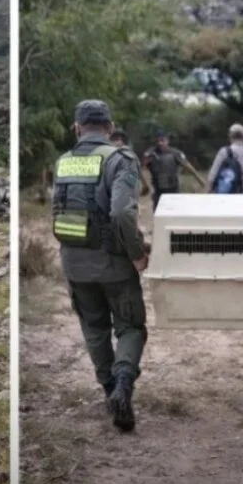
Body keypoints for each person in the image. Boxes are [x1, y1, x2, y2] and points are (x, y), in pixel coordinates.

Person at [50, 99, 149, 432]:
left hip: (74, 263)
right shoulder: (121, 160)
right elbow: (122, 213)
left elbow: (57, 211)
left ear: (77, 128)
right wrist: (137, 253)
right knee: (131, 327)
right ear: (109, 127)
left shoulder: (63, 162)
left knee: (94, 329)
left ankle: (109, 391)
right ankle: (123, 385)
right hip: (114, 265)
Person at [142, 129, 206, 211]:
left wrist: (199, 179)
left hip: (173, 190)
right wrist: (145, 185)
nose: (160, 143)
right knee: (158, 216)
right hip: (158, 192)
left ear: (167, 141)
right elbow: (142, 169)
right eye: (158, 141)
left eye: (162, 140)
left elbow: (187, 166)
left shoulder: (175, 153)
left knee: (174, 213)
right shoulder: (150, 154)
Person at [206, 123, 243, 194]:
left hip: (228, 196)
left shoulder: (224, 152)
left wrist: (209, 192)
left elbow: (212, 176)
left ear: (230, 136)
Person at [110, 130, 152, 195]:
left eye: (120, 139)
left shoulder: (130, 155)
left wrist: (142, 185)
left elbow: (136, 172)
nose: (118, 142)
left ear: (123, 142)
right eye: (115, 139)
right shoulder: (108, 154)